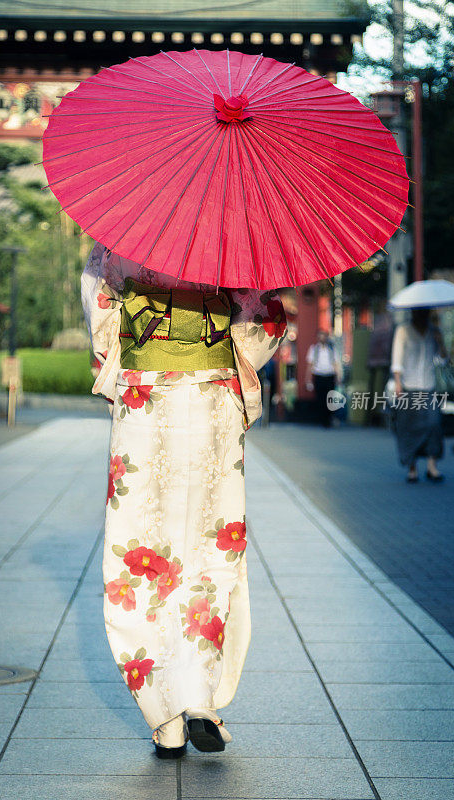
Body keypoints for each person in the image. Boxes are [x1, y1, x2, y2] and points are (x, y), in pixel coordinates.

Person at [81, 242, 287, 758]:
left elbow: (102, 313)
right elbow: (263, 323)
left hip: (144, 396)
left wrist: (124, 362)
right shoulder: (233, 237)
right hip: (213, 397)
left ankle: (165, 717)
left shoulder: (122, 238)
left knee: (139, 547)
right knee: (212, 546)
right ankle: (200, 697)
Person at [390, 307, 447, 483]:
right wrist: (398, 383)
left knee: (434, 424)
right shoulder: (403, 330)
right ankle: (412, 468)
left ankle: (432, 467)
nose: (422, 315)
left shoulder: (434, 331)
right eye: (419, 312)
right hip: (408, 387)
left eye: (425, 312)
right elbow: (397, 358)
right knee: (409, 429)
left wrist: (440, 341)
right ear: (413, 312)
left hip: (428, 386)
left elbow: (443, 360)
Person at [306, 330, 340, 427]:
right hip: (318, 375)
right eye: (320, 336)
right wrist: (308, 379)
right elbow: (310, 364)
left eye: (324, 336)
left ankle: (329, 418)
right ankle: (322, 419)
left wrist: (338, 377)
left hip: (330, 375)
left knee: (329, 398)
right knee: (320, 398)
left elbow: (336, 364)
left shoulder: (332, 349)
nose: (322, 338)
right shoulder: (314, 349)